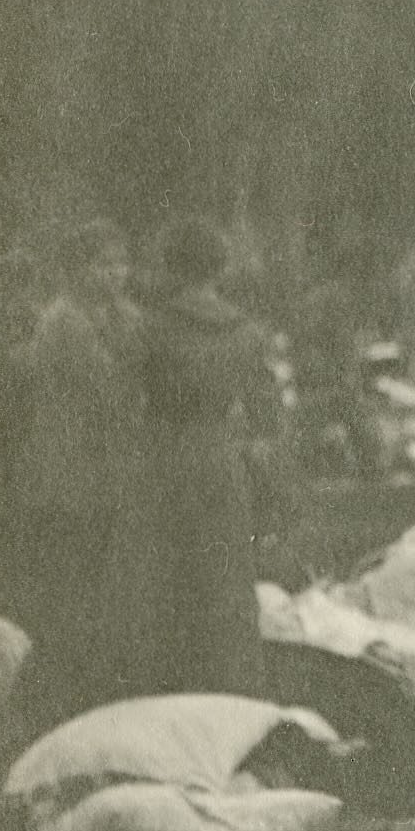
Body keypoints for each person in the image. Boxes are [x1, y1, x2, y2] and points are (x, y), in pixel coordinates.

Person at [124, 219, 278, 698]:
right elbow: (267, 416)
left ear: (171, 266)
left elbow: (126, 403)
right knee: (226, 579)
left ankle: (167, 691)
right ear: (220, 266)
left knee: (166, 579)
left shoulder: (150, 329)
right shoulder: (246, 332)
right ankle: (231, 690)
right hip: (221, 459)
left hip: (164, 458)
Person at [3, 220, 145, 728]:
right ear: (77, 269)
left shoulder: (116, 316)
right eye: (102, 264)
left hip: (102, 472)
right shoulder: (65, 323)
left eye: (119, 263)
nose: (114, 274)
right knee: (72, 594)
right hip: (66, 474)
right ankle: (59, 703)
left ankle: (89, 691)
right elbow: (110, 391)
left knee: (99, 587)